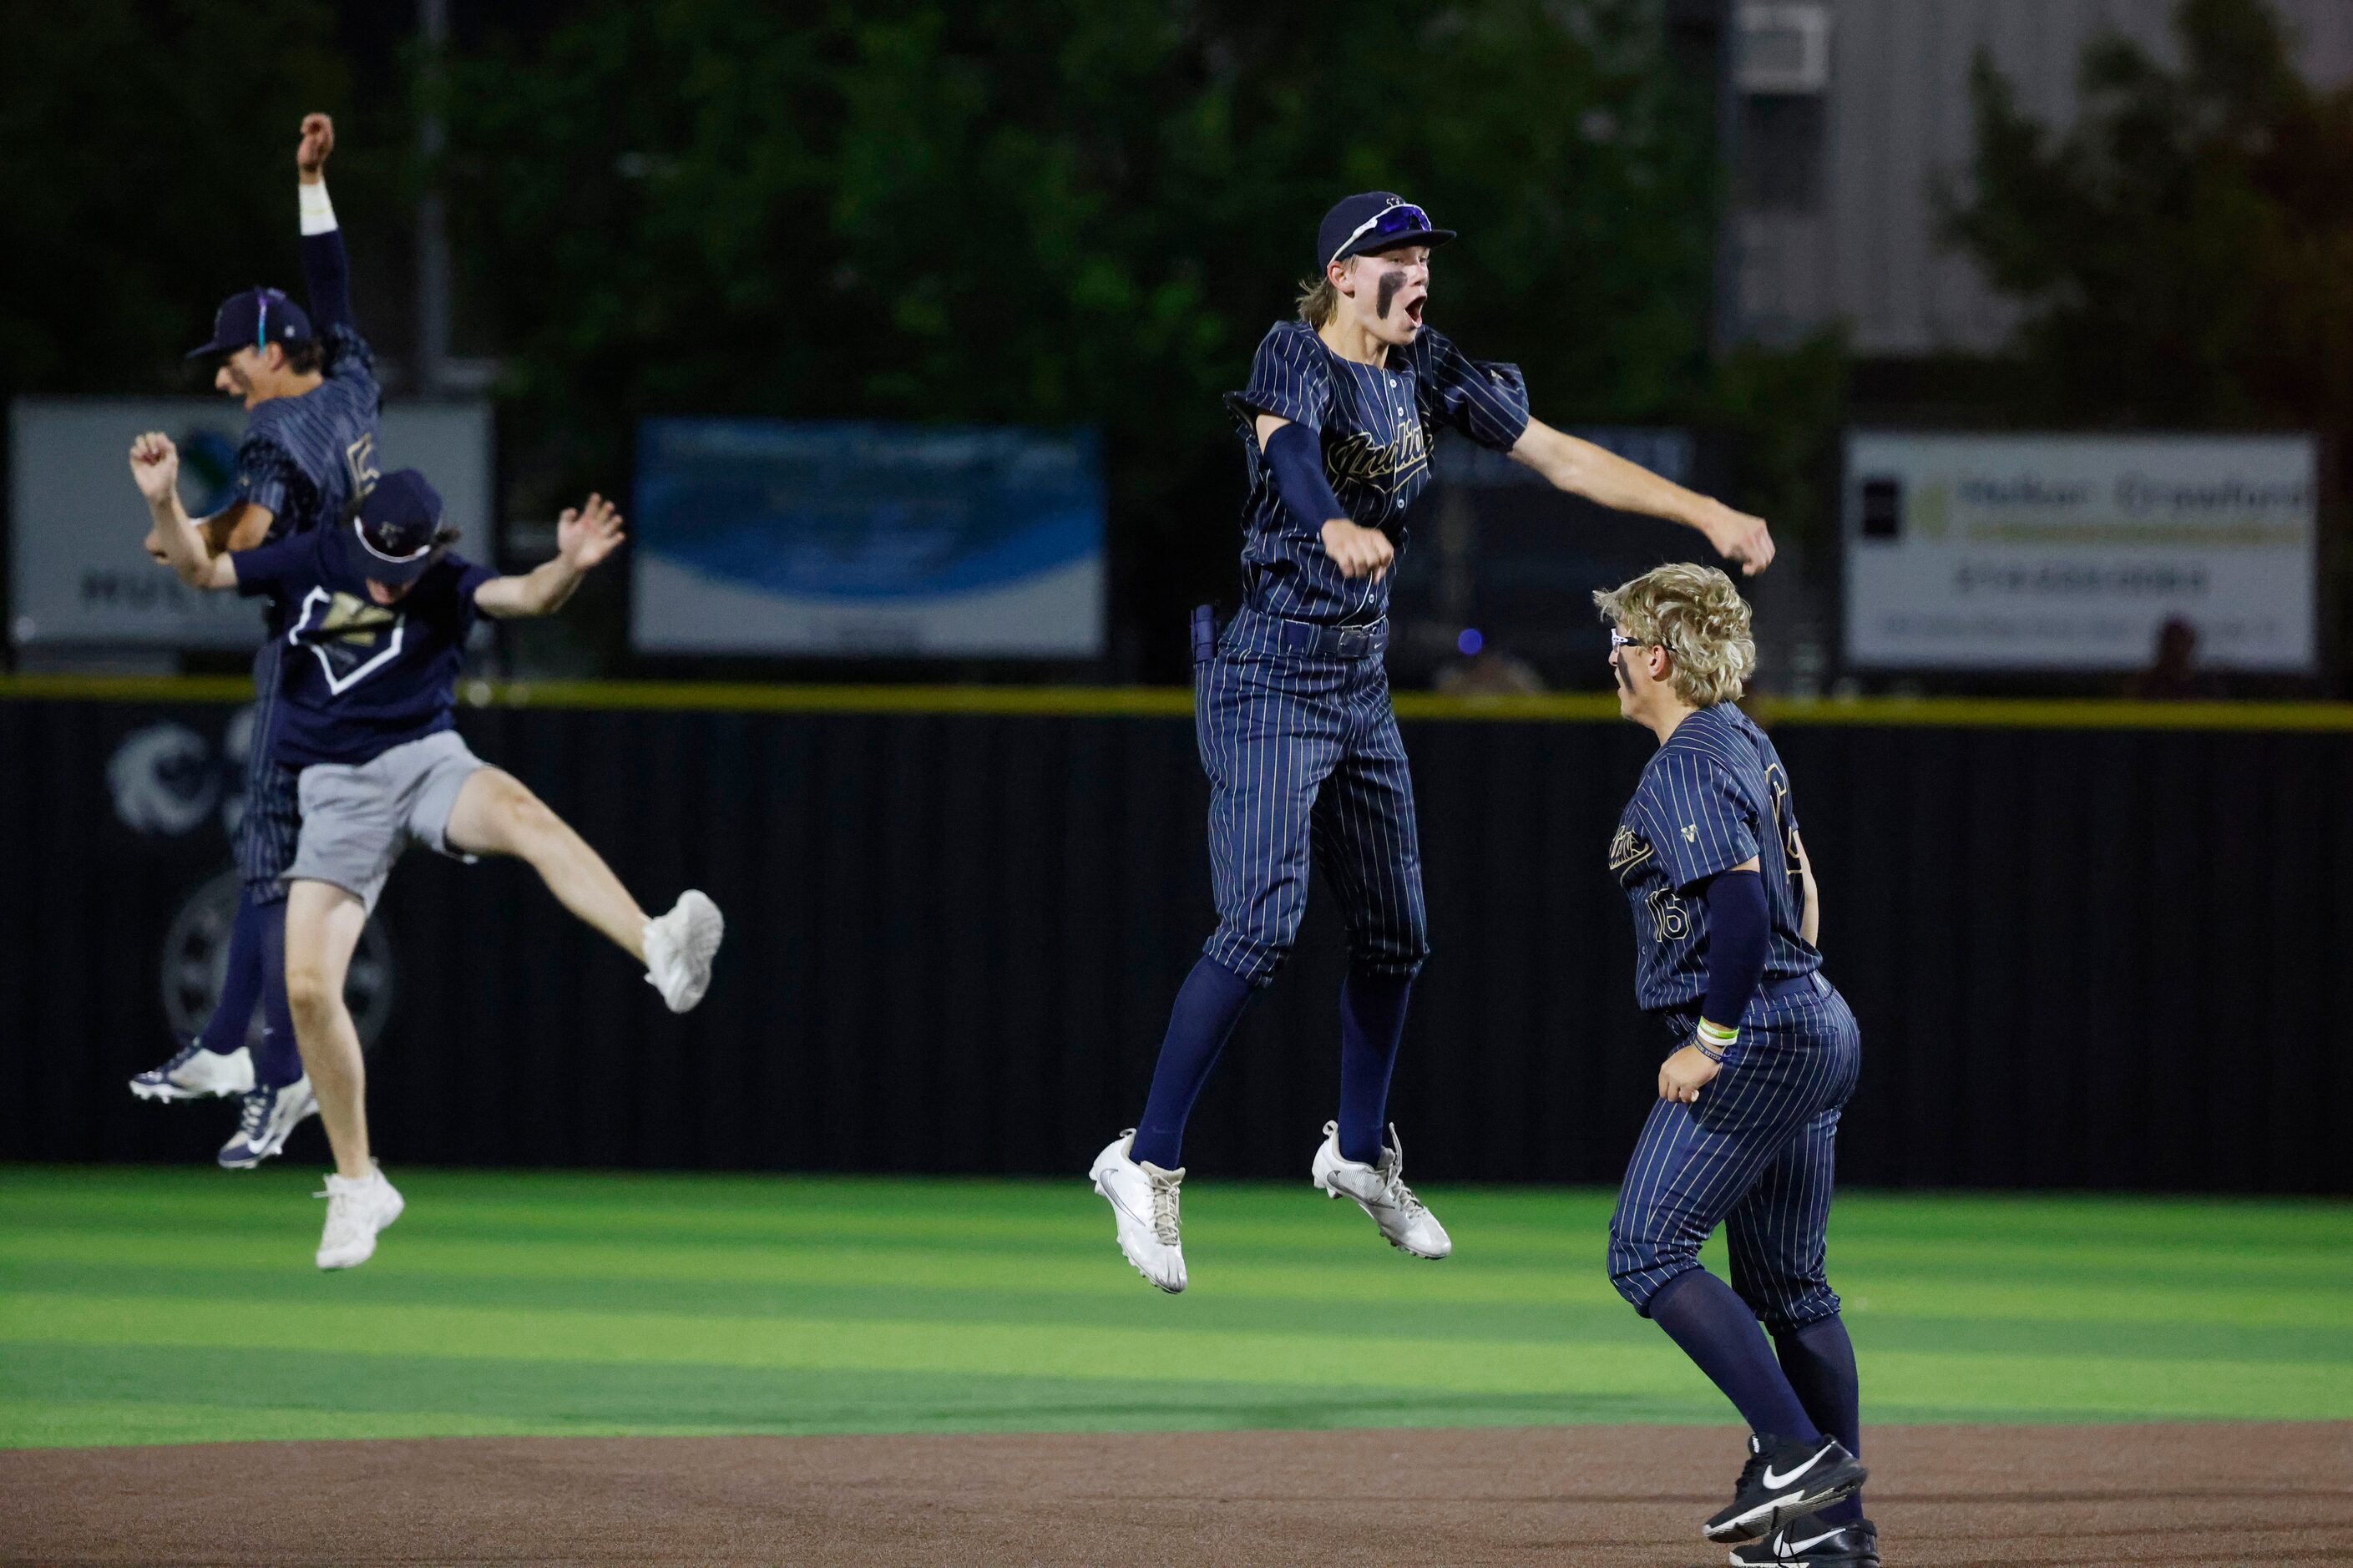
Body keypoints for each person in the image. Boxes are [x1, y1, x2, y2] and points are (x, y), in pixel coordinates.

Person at [1088, 192, 1778, 1293]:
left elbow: (1559, 456)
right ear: (1342, 273)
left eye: (1424, 258)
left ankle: (1357, 1153)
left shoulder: (1428, 368)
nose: (1419, 275)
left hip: (1354, 681)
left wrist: (1702, 513)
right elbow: (1291, 453)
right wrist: (1330, 526)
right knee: (1261, 923)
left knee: (1399, 933)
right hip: (1267, 674)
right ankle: (1145, 1155)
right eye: (1398, 258)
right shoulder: (1291, 353)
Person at [130, 450, 726, 1269]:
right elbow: (197, 570)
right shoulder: (314, 555)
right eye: (375, 564)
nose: (384, 584)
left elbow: (523, 596)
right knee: (305, 991)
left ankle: (658, 946)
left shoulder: (446, 580)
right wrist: (165, 501)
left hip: (425, 760)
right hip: (335, 790)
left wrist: (569, 565)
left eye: (399, 570)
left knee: (521, 813)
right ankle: (358, 1185)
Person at [1595, 563, 1876, 1565]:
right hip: (1814, 1019)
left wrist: (1709, 1040)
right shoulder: (1742, 738)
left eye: (1623, 641)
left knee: (1645, 1249)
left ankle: (1797, 1461)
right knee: (1791, 1289)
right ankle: (1832, 1540)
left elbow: (1749, 907)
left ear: (1659, 657)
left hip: (1756, 1030)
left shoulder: (1681, 759)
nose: (1613, 660)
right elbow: (1800, 887)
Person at [129, 112, 378, 1174]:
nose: (222, 380)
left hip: (304, 653)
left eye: (230, 359)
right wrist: (311, 183)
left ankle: (254, 1062)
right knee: (284, 873)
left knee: (271, 870)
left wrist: (176, 521)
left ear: (271, 352)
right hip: (372, 653)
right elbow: (335, 291)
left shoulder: (274, 433)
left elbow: (246, 542)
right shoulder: (354, 380)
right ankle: (249, 1061)